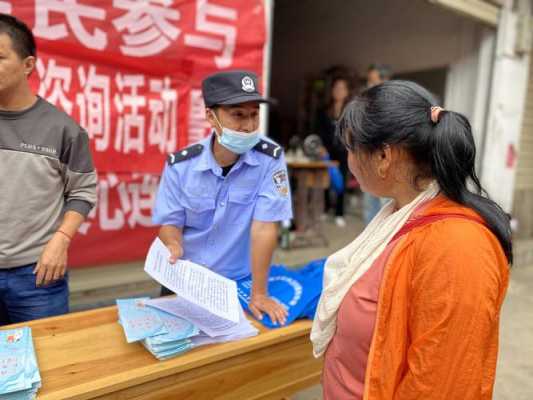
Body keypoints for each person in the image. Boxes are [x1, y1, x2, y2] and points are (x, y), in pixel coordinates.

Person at [311, 80, 511, 399]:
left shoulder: (457, 247)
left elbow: (442, 386)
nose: (348, 160)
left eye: (351, 148)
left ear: (383, 156)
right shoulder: (398, 214)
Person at [152, 70, 292, 325]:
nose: (248, 126)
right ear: (211, 116)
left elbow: (264, 227)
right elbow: (170, 222)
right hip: (184, 278)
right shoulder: (181, 165)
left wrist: (259, 293)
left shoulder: (270, 160)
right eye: (238, 115)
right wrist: (173, 244)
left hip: (235, 282)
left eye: (253, 115)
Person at [0, 14, 97, 325]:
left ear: (28, 65)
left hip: (36, 276)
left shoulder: (62, 129)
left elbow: (82, 191)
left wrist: (61, 240)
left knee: (44, 364)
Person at [316, 77, 351, 227]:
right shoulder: (324, 110)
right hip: (327, 151)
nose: (339, 91)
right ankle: (325, 208)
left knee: (341, 181)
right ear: (332, 91)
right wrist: (321, 147)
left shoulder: (350, 110)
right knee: (326, 180)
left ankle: (339, 212)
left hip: (344, 152)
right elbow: (319, 131)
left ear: (346, 92)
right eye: (336, 88)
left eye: (342, 88)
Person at [362, 64, 392, 224]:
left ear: (385, 81)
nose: (369, 85)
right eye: (369, 81)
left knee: (386, 206)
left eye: (373, 81)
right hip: (369, 160)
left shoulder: (393, 105)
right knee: (370, 206)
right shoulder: (367, 103)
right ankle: (369, 241)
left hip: (387, 163)